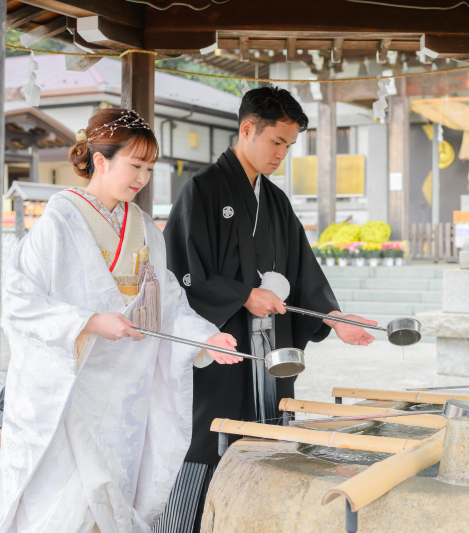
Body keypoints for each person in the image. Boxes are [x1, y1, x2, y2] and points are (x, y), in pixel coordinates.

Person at [0, 108, 243, 533]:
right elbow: (16, 298)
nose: (142, 177)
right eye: (135, 165)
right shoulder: (58, 223)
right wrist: (89, 321)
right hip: (72, 391)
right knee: (65, 504)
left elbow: (167, 301)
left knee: (111, 502)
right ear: (101, 160)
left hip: (125, 395)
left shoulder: (145, 228)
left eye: (149, 168)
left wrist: (206, 338)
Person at [159, 85, 377, 532]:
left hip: (269, 353)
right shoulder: (201, 190)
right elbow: (180, 272)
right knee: (208, 439)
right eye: (277, 141)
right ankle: (180, 526)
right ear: (247, 129)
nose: (283, 153)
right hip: (220, 351)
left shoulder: (275, 201)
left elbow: (304, 272)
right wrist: (242, 295)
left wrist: (333, 319)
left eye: (289, 145)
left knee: (270, 435)